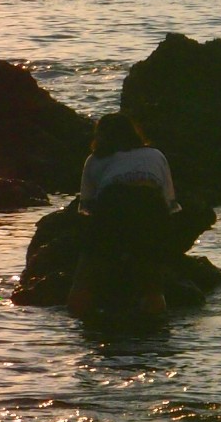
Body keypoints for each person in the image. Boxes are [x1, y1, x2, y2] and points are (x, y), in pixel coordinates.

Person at [68, 112, 180, 317]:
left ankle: (79, 319)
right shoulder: (155, 155)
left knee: (86, 274)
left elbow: (88, 205)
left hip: (113, 204)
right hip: (150, 206)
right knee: (152, 279)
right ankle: (155, 325)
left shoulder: (95, 159)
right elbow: (168, 199)